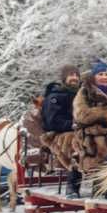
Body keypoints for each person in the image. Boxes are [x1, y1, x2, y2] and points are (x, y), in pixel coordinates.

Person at [73, 60, 107, 197]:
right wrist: (106, 113)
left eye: (106, 74)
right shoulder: (84, 92)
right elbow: (81, 114)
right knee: (106, 145)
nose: (104, 77)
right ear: (94, 76)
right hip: (90, 133)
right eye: (100, 74)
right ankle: (105, 187)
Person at [38, 64, 82, 198]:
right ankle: (72, 185)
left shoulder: (83, 93)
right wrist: (73, 124)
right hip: (58, 133)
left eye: (76, 75)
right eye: (71, 75)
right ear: (64, 78)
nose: (74, 78)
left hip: (80, 129)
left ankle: (101, 185)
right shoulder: (55, 96)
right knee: (75, 142)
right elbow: (53, 121)